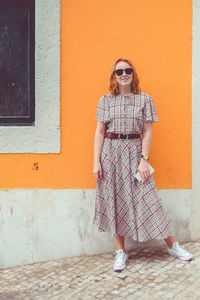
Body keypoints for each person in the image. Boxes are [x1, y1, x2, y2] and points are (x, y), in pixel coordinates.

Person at [93, 58, 193, 271]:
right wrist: (96, 161)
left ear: (133, 74)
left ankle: (172, 246)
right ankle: (120, 252)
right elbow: (100, 131)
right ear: (114, 76)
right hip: (110, 153)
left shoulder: (144, 99)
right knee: (114, 200)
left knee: (150, 199)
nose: (123, 74)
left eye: (128, 70)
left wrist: (144, 160)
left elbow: (147, 131)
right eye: (119, 72)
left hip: (135, 152)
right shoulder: (106, 100)